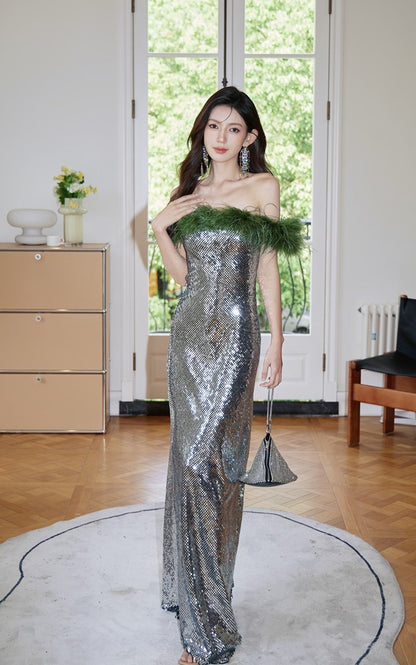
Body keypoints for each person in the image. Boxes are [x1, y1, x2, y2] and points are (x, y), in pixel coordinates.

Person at [152, 86, 302, 665]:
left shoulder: (262, 188)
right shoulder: (189, 196)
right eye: (213, 125)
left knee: (214, 468)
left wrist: (278, 340)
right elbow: (183, 279)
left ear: (249, 137)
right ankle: (192, 593)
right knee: (188, 463)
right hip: (188, 339)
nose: (221, 136)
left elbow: (267, 267)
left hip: (237, 339)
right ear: (203, 131)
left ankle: (210, 619)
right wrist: (160, 229)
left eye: (233, 127)